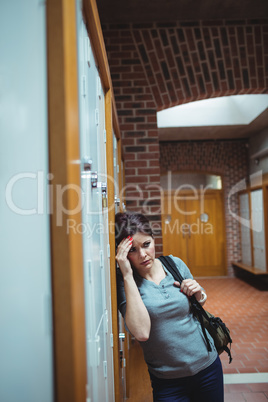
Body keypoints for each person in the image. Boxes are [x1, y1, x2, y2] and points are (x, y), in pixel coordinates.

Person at [115, 212, 224, 402]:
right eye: (132, 250)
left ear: (153, 239)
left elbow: (199, 301)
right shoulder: (125, 283)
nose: (142, 255)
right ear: (123, 253)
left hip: (208, 367)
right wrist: (126, 274)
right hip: (168, 382)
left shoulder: (174, 264)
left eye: (146, 244)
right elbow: (141, 332)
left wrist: (198, 293)